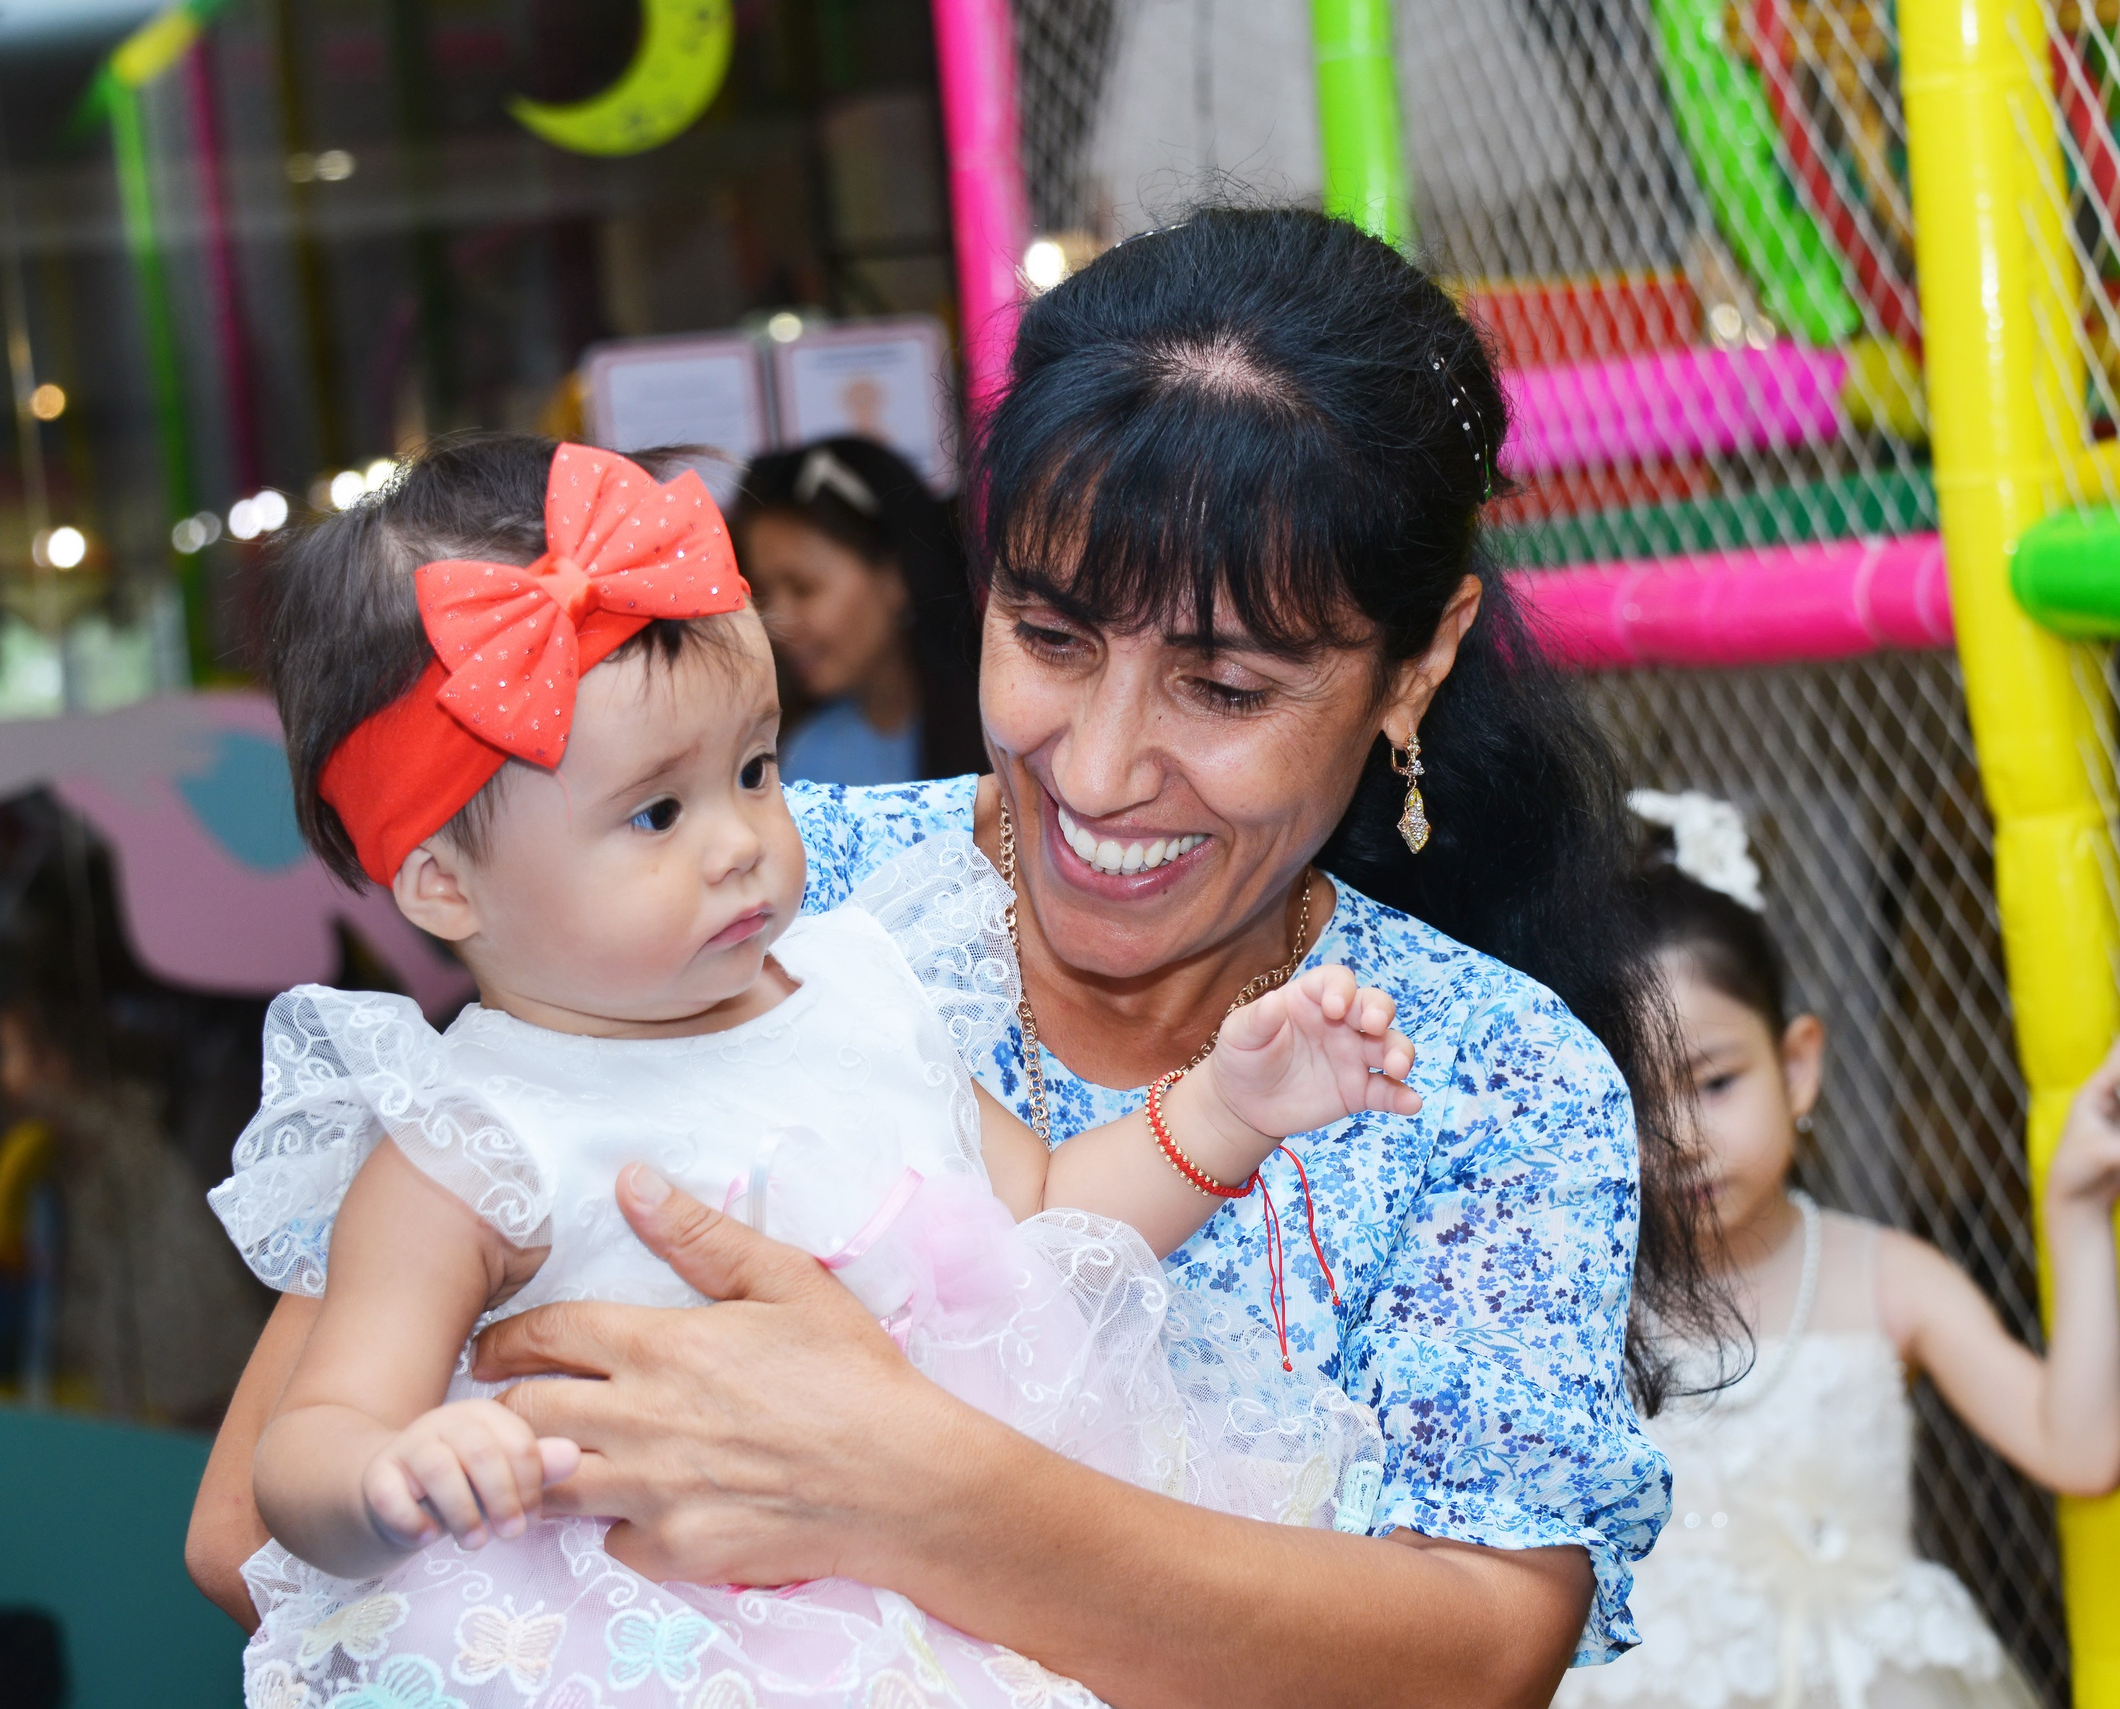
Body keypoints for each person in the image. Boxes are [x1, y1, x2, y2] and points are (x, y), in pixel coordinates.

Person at [191, 206, 1726, 1709]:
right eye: (1050, 638)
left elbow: (1474, 1657)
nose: (1107, 768)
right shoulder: (759, 911)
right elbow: (256, 1525)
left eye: (1227, 686)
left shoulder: (1478, 1072)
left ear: (1423, 658)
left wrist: (909, 1488)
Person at [213, 434, 1418, 1703]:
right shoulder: (469, 1147)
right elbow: (303, 1448)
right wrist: (391, 1478)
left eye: (755, 768)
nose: (742, 842)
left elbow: (1046, 1217)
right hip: (675, 1645)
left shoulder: (862, 987)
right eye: (656, 813)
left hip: (976, 1576)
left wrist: (1226, 1110)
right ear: (445, 881)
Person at [1555, 790, 2120, 1709]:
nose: (1678, 1137)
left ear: (1796, 1065)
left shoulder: (1891, 1278)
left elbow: (2078, 1450)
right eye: (1635, 1102)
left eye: (1715, 1082)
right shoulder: (1576, 1298)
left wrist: (2076, 1215)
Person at [733, 435, 986, 785]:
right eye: (761, 594)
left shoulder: (1004, 731)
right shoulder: (806, 760)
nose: (778, 624)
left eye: (803, 589)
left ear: (894, 575)